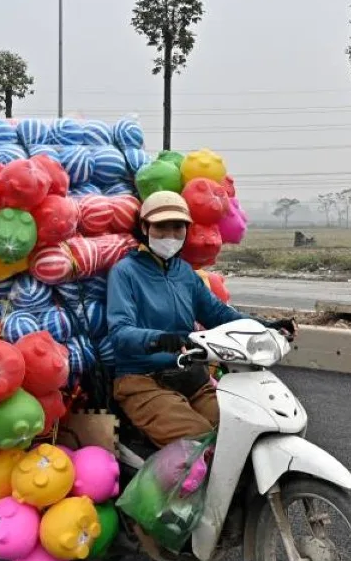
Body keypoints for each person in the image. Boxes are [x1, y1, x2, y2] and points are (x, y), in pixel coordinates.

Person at [106, 191, 294, 447]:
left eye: (177, 227)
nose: (170, 235)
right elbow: (120, 333)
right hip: (143, 380)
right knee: (201, 441)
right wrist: (159, 339)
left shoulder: (184, 272)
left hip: (190, 378)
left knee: (244, 430)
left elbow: (218, 314)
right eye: (161, 227)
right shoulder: (125, 272)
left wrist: (264, 325)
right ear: (144, 227)